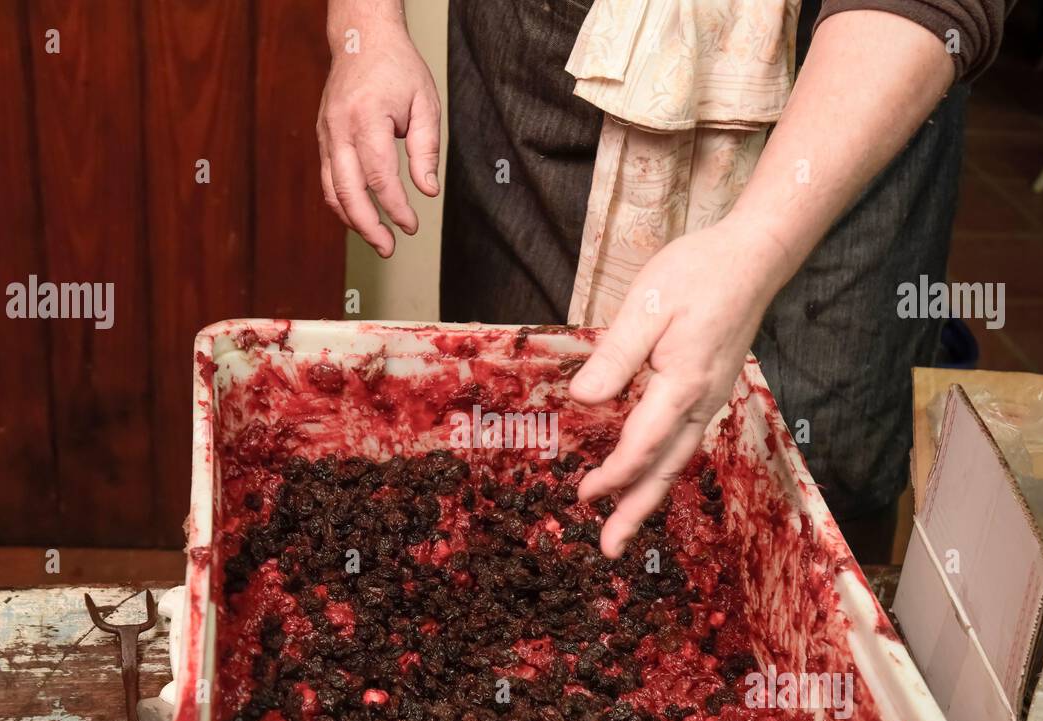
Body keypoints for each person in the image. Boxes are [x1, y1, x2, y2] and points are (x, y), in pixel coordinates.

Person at [315, 0, 1005, 561]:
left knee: (810, 485)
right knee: (515, 456)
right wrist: (365, 28)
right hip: (541, 48)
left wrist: (757, 242)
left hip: (853, 70)